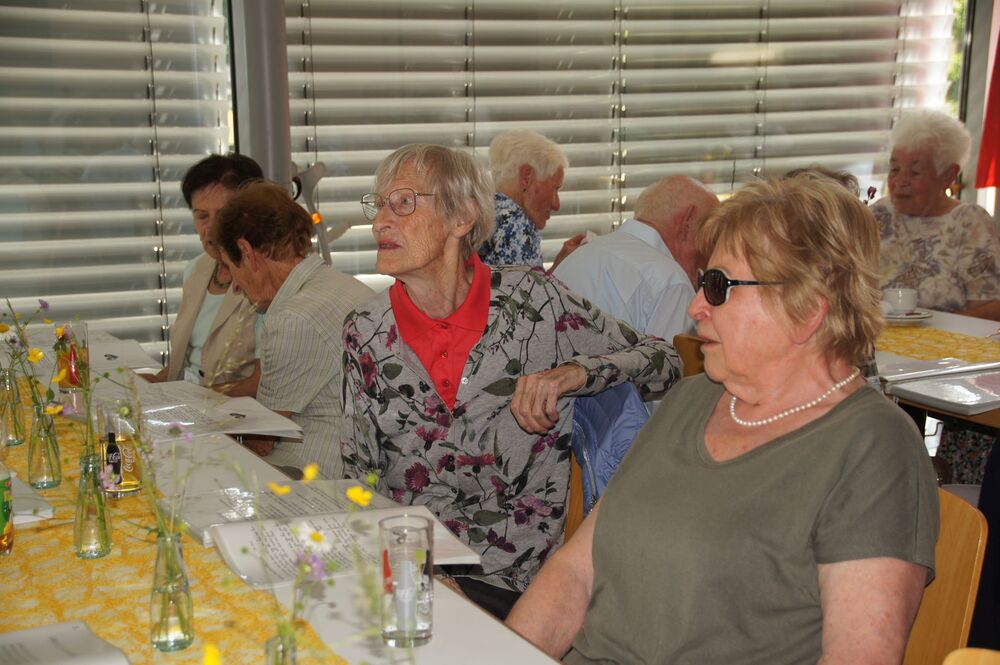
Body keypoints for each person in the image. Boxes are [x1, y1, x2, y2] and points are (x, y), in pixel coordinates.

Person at [506, 173, 939, 664]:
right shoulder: (693, 400)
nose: (696, 306)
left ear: (807, 310)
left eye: (718, 287)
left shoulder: (871, 448)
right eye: (702, 281)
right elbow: (576, 571)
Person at [341, 144, 681, 620]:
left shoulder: (534, 304)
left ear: (462, 217)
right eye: (377, 206)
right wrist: (413, 570)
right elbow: (358, 478)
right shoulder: (366, 332)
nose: (380, 223)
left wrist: (577, 374)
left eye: (402, 203)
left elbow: (666, 359)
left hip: (514, 578)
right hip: (411, 568)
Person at [213, 181, 373, 479]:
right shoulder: (343, 285)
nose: (234, 285)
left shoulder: (292, 318)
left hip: (318, 475)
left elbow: (263, 436)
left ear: (246, 252)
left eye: (230, 267)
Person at [145, 154, 262, 394]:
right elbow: (190, 364)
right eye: (202, 216)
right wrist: (153, 384)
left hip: (237, 411)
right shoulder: (197, 269)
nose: (210, 229)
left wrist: (198, 398)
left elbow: (264, 384)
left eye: (223, 214)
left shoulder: (265, 280)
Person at [553, 175, 719, 341]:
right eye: (712, 237)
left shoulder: (576, 257)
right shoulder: (671, 283)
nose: (712, 255)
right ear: (687, 222)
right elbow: (672, 359)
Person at [873, 109, 1000, 321]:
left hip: (949, 339)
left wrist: (935, 329)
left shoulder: (970, 223)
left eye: (915, 172)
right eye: (894, 169)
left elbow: (993, 308)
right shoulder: (878, 215)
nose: (900, 182)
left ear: (948, 175)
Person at [478, 130, 583, 269]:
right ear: (526, 178)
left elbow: (516, 282)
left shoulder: (486, 214)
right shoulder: (517, 228)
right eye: (555, 189)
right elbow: (525, 284)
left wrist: (559, 266)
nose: (557, 205)